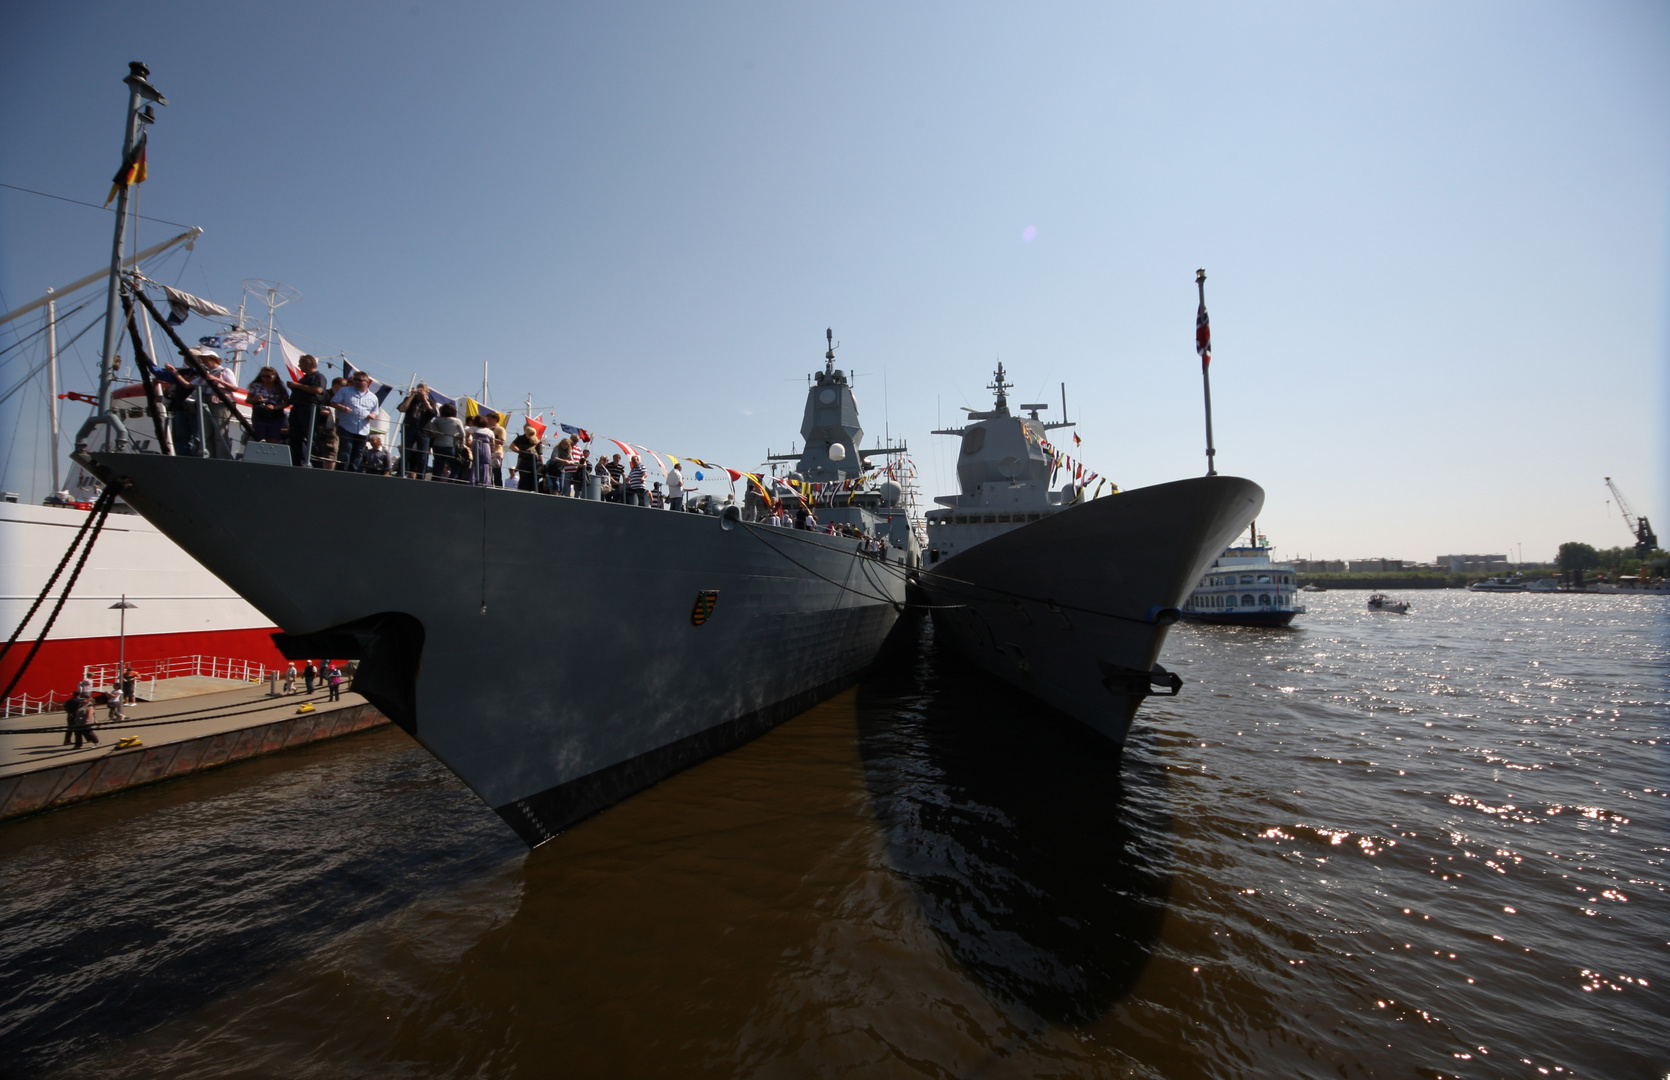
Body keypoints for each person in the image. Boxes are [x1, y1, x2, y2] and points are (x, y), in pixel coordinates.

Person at [331, 371, 379, 472]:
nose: (356, 382)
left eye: (359, 380)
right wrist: (342, 407)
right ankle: (342, 471)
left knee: (359, 452)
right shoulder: (345, 391)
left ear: (367, 382)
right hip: (346, 426)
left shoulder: (373, 397)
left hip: (363, 428)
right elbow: (334, 402)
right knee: (346, 449)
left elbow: (375, 411)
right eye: (355, 380)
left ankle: (354, 472)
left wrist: (372, 415)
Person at [285, 354, 328, 466]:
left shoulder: (318, 377)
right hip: (297, 409)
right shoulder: (304, 378)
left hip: (309, 409)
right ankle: (296, 462)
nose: (299, 365)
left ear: (308, 363)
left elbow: (318, 390)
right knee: (295, 438)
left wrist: (298, 386)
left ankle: (316, 464)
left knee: (312, 437)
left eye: (301, 363)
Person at [397, 384, 439, 478]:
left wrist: (424, 399)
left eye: (422, 389)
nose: (419, 391)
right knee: (406, 452)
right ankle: (400, 473)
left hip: (424, 430)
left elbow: (433, 413)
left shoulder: (431, 402)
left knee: (423, 455)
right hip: (409, 428)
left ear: (427, 392)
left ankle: (421, 476)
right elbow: (402, 409)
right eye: (418, 389)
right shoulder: (410, 399)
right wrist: (411, 395)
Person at [245, 366, 288, 444]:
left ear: (274, 377)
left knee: (273, 437)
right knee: (260, 436)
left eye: (268, 376)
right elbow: (248, 400)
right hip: (260, 413)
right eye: (263, 376)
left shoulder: (280, 387)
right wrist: (255, 399)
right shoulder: (256, 386)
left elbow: (286, 402)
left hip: (275, 415)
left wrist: (275, 407)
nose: (265, 378)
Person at [427, 403, 467, 482]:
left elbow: (433, 432)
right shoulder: (456, 421)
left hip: (437, 445)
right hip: (449, 445)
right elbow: (462, 434)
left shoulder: (437, 420)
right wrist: (455, 435)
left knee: (438, 466)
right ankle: (450, 481)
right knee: (455, 467)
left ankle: (435, 482)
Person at [314, 377, 346, 469]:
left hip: (338, 427)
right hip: (325, 427)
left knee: (334, 452)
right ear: (336, 385)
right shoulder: (326, 395)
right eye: (343, 386)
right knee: (328, 450)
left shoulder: (342, 398)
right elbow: (319, 409)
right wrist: (335, 411)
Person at [511, 425, 543, 491]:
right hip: (534, 462)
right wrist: (543, 465)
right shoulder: (537, 440)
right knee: (533, 481)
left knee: (524, 481)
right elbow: (540, 454)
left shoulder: (520, 439)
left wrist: (520, 451)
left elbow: (512, 447)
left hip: (524, 461)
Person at [468, 415, 496, 487]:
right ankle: (485, 482)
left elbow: (466, 436)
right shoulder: (490, 431)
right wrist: (492, 451)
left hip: (476, 446)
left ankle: (474, 481)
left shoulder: (472, 428)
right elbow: (493, 444)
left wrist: (469, 444)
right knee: (485, 464)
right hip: (486, 447)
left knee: (475, 463)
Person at [489, 417, 508, 488]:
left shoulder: (500, 429)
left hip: (497, 452)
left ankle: (498, 488)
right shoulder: (489, 430)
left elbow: (502, 442)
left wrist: (491, 439)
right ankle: (490, 486)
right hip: (490, 452)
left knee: (497, 473)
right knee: (489, 473)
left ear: (495, 419)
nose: (488, 421)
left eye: (489, 419)